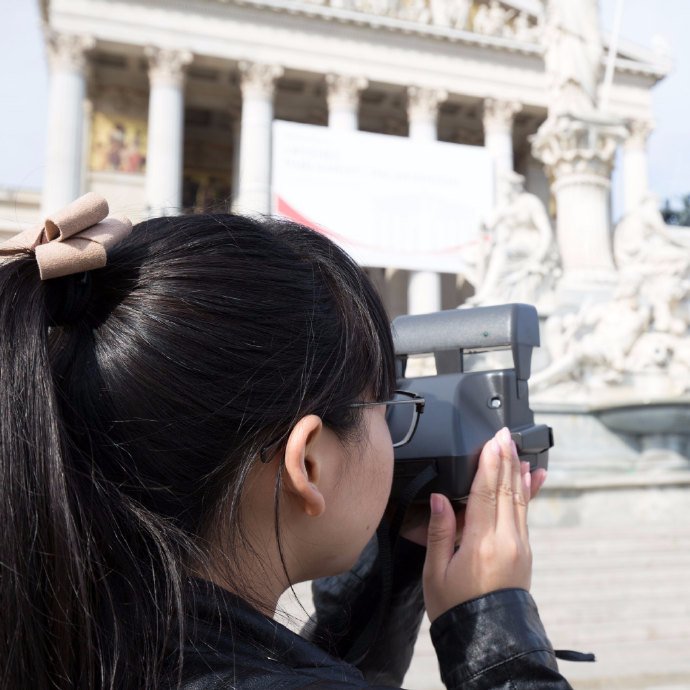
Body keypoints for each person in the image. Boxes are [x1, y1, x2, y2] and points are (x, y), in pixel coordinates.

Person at [0, 193, 571, 690]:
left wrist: (389, 573)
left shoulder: (70, 635)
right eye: (386, 404)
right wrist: (496, 633)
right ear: (309, 465)